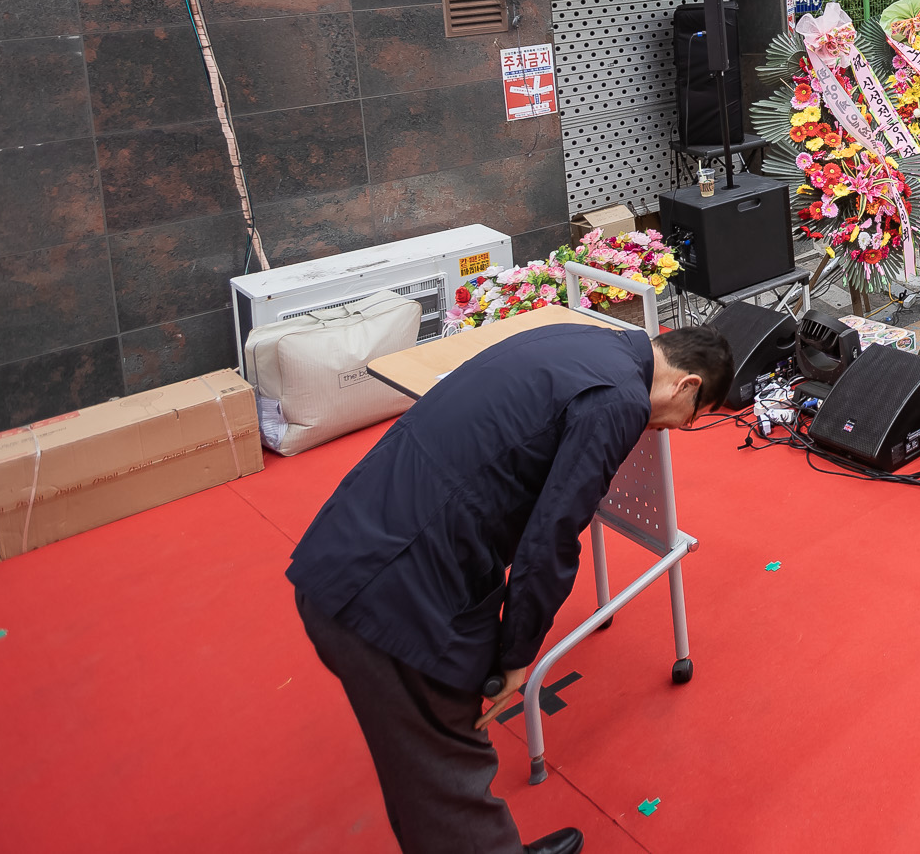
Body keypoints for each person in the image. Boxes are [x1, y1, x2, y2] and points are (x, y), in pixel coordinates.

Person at [290, 321, 738, 854]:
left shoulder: (581, 341)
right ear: (686, 386)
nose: (676, 429)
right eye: (693, 417)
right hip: (393, 592)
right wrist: (517, 656)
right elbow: (550, 537)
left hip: (345, 548)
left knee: (420, 764)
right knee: (447, 761)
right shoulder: (618, 400)